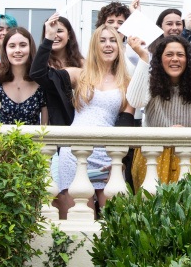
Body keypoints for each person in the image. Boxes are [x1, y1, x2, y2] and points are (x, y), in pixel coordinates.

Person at [32, 16, 134, 217]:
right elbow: (38, 74)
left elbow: (126, 125)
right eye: (102, 40)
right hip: (75, 153)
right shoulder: (79, 74)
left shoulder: (127, 82)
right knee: (79, 224)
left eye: (112, 40)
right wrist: (48, 38)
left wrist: (120, 160)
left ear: (119, 46)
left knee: (114, 224)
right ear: (94, 46)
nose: (107, 45)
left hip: (107, 157)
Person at [127, 35, 191, 183]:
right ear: (160, 59)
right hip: (153, 153)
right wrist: (143, 58)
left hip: (190, 151)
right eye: (169, 54)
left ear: (188, 59)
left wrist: (187, 133)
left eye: (180, 55)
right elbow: (135, 101)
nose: (175, 59)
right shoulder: (150, 78)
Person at [0, 27, 46, 125]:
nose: (17, 50)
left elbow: (46, 126)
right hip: (3, 139)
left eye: (23, 45)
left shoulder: (41, 81)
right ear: (5, 50)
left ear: (31, 48)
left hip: (36, 139)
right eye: (12, 46)